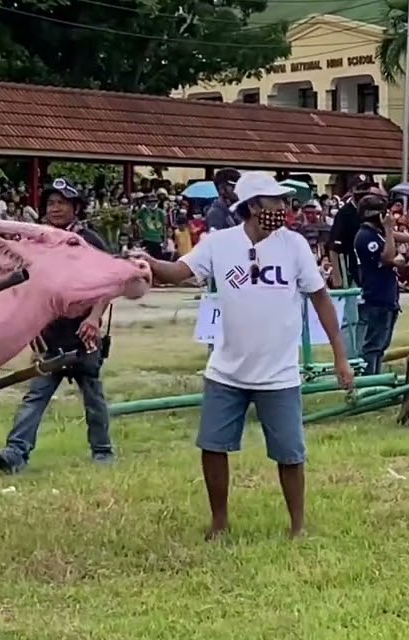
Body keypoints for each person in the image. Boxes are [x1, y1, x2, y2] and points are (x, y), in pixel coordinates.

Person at [131, 172, 354, 540]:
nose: (283, 209)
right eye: (274, 202)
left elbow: (321, 299)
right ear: (252, 207)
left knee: (290, 454)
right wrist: (149, 264)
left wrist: (340, 356)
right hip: (226, 372)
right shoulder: (218, 244)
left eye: (284, 202)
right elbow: (179, 272)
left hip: (279, 373)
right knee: (213, 447)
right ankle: (219, 522)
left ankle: (297, 526)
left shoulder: (295, 245)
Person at [0, 179, 117, 472]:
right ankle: (15, 453)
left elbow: (111, 282)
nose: (55, 208)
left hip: (84, 333)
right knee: (35, 395)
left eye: (62, 203)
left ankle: (103, 453)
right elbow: (30, 287)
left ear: (76, 208)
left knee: (94, 398)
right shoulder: (38, 243)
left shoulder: (88, 241)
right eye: (51, 203)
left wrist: (94, 318)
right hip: (50, 333)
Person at [354, 195, 403, 375]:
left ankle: (376, 380)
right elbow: (389, 257)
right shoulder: (366, 236)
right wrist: (389, 230)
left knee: (381, 345)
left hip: (387, 295)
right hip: (376, 296)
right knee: (373, 346)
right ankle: (368, 382)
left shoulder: (376, 234)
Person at [204, 168, 241, 232]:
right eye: (234, 186)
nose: (238, 189)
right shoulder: (216, 213)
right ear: (221, 189)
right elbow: (216, 240)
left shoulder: (237, 209)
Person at [136, 194, 168, 258]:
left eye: (154, 201)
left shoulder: (160, 212)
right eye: (150, 202)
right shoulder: (142, 211)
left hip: (157, 239)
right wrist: (141, 228)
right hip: (146, 238)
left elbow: (164, 226)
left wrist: (165, 240)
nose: (152, 203)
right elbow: (136, 220)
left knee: (157, 259)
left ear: (157, 202)